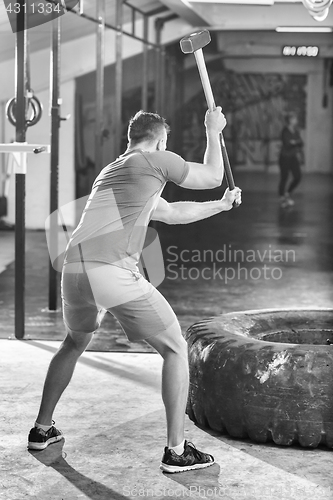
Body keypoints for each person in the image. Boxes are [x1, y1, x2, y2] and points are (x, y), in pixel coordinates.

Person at [28, 107, 242, 473]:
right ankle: (176, 451)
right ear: (160, 140)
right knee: (176, 347)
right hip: (109, 270)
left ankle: (41, 430)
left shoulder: (115, 172)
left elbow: (170, 213)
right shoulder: (158, 160)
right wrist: (212, 130)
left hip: (74, 272)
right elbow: (212, 175)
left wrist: (220, 206)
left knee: (73, 342)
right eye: (165, 143)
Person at [278, 112, 303, 208]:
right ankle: (282, 197)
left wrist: (294, 142)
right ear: (290, 120)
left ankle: (288, 193)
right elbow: (287, 144)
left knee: (298, 176)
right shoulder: (285, 131)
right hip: (284, 157)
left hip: (293, 157)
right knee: (284, 177)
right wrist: (295, 142)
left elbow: (301, 143)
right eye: (294, 118)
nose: (296, 120)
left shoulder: (295, 131)